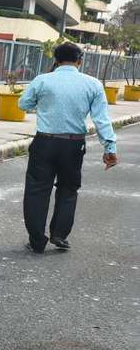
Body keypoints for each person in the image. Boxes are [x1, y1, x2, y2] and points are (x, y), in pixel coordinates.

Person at [18, 42, 118, 253]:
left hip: (44, 142)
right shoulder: (92, 84)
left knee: (37, 190)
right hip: (73, 145)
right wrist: (110, 147)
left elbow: (23, 104)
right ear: (80, 61)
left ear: (55, 60)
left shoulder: (43, 80)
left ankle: (37, 240)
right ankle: (59, 235)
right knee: (68, 189)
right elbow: (101, 119)